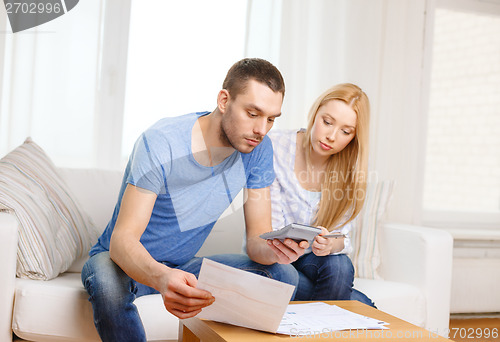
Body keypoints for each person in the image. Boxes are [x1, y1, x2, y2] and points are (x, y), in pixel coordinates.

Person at [81, 58, 309, 342]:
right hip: (120, 263)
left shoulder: (259, 151)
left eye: (272, 119)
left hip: (182, 268)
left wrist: (276, 250)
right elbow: (122, 240)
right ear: (224, 100)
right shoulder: (162, 141)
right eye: (253, 113)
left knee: (285, 276)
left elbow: (256, 242)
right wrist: (162, 277)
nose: (262, 129)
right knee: (106, 283)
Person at [267, 83, 375, 306]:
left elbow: (343, 238)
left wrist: (330, 245)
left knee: (341, 266)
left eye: (345, 131)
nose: (332, 136)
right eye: (327, 122)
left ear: (354, 137)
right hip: (275, 258)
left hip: (312, 262)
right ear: (315, 113)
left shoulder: (347, 172)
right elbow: (269, 230)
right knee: (361, 305)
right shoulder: (276, 146)